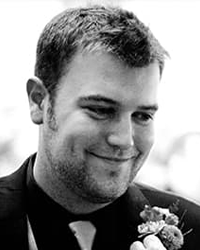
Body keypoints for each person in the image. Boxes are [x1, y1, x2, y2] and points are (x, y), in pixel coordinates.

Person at [0, 4, 200, 250]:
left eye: (143, 115)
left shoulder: (196, 230)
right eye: (101, 110)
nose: (125, 140)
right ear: (39, 101)